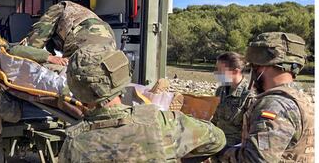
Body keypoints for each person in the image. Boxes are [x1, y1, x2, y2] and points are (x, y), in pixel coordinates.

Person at [58, 44, 226, 162]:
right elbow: (217, 140)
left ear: (76, 87)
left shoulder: (74, 142)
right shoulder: (162, 122)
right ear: (121, 76)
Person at [218, 32, 314, 162]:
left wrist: (220, 152)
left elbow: (256, 159)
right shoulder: (303, 98)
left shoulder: (274, 105)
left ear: (260, 68)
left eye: (253, 68)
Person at [9, 1, 116, 66]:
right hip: (109, 39)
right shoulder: (77, 12)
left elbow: (31, 47)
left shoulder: (57, 11)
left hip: (83, 38)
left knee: (70, 74)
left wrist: (49, 58)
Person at [212, 52, 254, 146]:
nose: (216, 73)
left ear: (235, 72)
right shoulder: (220, 91)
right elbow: (215, 120)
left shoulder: (249, 95)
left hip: (235, 149)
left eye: (220, 71)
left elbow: (251, 131)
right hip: (217, 143)